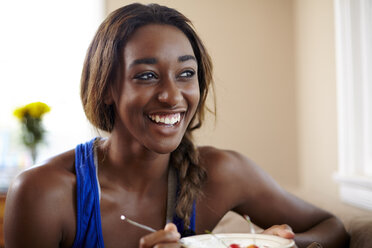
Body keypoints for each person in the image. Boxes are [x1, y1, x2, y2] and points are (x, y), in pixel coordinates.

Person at [4, 3, 349, 248]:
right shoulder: (43, 193)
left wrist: (281, 246)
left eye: (186, 74)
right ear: (107, 88)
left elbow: (333, 229)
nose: (172, 96)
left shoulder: (222, 173)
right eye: (147, 76)